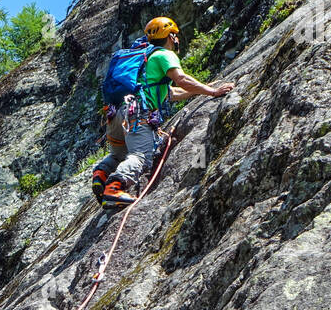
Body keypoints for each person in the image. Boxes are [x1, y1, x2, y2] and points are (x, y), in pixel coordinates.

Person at [92, 17, 235, 209]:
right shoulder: (163, 55)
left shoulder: (145, 60)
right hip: (137, 115)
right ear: (171, 36)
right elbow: (181, 79)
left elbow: (171, 93)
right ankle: (114, 187)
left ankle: (101, 174)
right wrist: (213, 92)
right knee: (141, 156)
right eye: (175, 36)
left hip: (115, 115)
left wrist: (201, 89)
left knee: (120, 154)